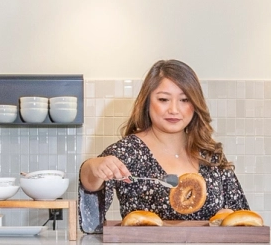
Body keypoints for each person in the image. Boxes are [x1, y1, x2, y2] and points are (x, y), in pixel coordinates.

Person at [78, 60, 249, 229]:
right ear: (147, 102)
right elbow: (91, 189)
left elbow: (243, 218)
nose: (174, 110)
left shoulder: (210, 155)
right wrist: (93, 166)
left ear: (195, 105)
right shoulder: (128, 151)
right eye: (163, 99)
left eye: (184, 100)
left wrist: (227, 217)